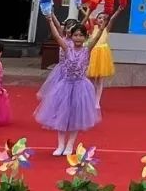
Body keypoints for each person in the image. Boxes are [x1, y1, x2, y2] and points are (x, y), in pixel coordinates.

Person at [35, 13, 103, 156]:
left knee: (76, 116)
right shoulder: (67, 48)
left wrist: (101, 28)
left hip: (80, 87)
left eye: (81, 35)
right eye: (75, 35)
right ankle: (60, 145)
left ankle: (70, 145)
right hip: (65, 86)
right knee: (61, 115)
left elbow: (96, 37)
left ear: (85, 37)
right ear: (71, 37)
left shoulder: (87, 49)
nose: (78, 38)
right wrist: (50, 21)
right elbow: (57, 36)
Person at [86, 4, 124, 108]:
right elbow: (88, 17)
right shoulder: (92, 29)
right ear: (96, 20)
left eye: (104, 18)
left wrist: (118, 11)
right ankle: (91, 98)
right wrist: (86, 9)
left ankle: (97, 101)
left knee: (100, 79)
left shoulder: (106, 29)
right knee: (91, 79)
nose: (101, 19)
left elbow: (112, 19)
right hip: (93, 54)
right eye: (99, 18)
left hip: (102, 55)